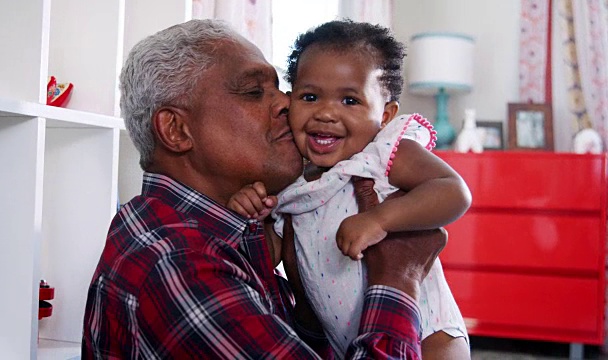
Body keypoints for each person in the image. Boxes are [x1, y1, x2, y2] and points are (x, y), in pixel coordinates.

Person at [82, 19, 447, 359]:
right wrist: (398, 278)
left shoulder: (211, 223)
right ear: (177, 130)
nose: (287, 104)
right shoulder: (179, 265)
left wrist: (306, 301)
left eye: (281, 88)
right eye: (255, 92)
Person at [228, 20, 472, 359]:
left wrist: (381, 219)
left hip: (428, 332)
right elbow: (273, 258)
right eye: (310, 96)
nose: (326, 112)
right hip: (353, 342)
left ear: (385, 116)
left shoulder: (382, 153)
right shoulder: (291, 181)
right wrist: (258, 218)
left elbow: (452, 191)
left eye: (350, 100)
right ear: (290, 101)